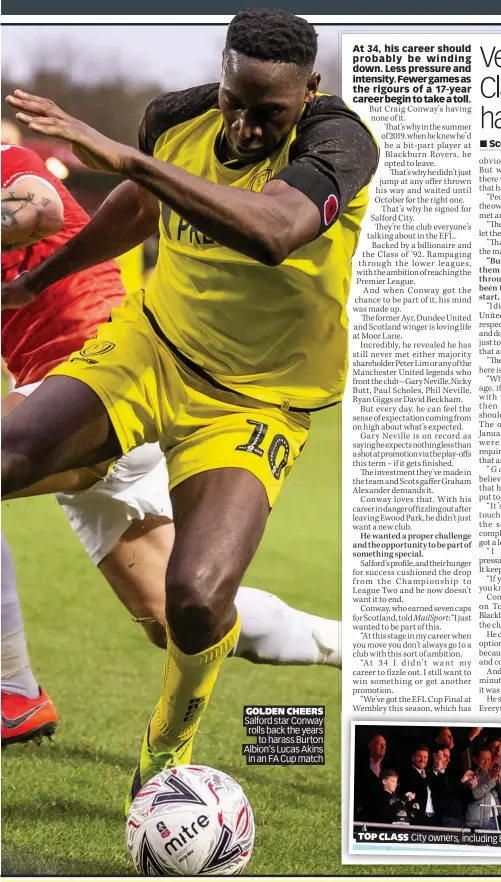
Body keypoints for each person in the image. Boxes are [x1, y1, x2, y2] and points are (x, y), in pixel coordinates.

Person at [2, 8, 378, 811]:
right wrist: (37, 280)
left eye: (267, 113)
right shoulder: (179, 117)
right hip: (149, 348)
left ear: (308, 91)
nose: (243, 126)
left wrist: (130, 159)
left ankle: (169, 739)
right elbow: (136, 210)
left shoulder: (340, 144)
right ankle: (13, 689)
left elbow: (274, 231)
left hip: (256, 400)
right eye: (232, 100)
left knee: (195, 599)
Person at [1, 137, 343, 741]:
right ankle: (358, 647)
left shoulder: (9, 162)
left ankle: (14, 690)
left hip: (102, 386)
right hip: (56, 414)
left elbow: (42, 210)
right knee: (176, 618)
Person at [464, 747, 501, 830]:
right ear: (475, 759)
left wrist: (499, 779)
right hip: (480, 822)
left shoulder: (491, 775)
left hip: (496, 818)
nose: (487, 762)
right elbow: (476, 794)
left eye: (489, 759)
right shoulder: (470, 774)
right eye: (483, 759)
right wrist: (493, 779)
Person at [398, 746, 436, 826]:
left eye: (425, 757)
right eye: (419, 756)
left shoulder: (429, 774)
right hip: (416, 819)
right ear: (412, 758)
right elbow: (417, 787)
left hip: (432, 819)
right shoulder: (407, 774)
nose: (423, 760)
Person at [354, 733, 386, 821]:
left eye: (385, 744)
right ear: (370, 746)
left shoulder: (390, 765)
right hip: (365, 814)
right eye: (379, 744)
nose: (383, 747)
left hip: (384, 813)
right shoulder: (359, 765)